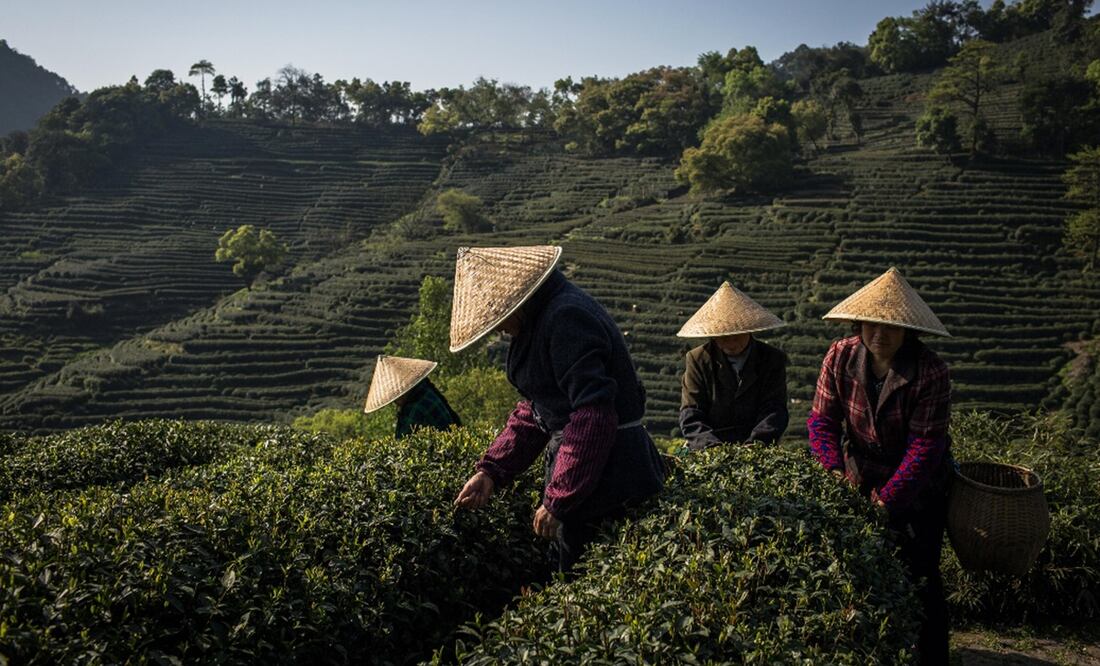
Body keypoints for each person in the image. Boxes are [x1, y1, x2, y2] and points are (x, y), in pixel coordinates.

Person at [450, 245, 665, 572]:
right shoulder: (540, 318)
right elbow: (539, 409)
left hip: (611, 475)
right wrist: (491, 471)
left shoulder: (565, 317)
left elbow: (593, 413)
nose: (497, 330)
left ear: (516, 301)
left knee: (590, 581)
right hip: (589, 472)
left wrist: (561, 497)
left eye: (496, 318)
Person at [807, 267, 953, 665]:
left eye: (890, 326)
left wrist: (889, 499)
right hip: (859, 473)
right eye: (871, 325)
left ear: (907, 330)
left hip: (919, 486)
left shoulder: (930, 371)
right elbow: (822, 420)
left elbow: (926, 447)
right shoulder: (840, 355)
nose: (879, 335)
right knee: (858, 569)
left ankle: (932, 657)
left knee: (921, 573)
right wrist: (833, 471)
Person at [677, 281, 789, 449]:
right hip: (709, 445)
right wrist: (711, 447)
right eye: (722, 337)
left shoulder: (771, 359)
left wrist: (756, 444)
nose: (729, 343)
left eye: (735, 336)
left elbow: (774, 409)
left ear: (748, 330)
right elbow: (691, 412)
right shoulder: (698, 359)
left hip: (759, 447)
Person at [363, 355, 460, 439]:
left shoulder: (415, 408)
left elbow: (402, 443)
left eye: (395, 397)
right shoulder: (426, 391)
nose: (395, 402)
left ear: (403, 391)